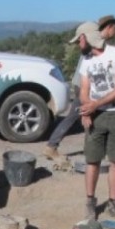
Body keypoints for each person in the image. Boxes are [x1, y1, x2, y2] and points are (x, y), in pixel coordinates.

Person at [79, 27, 115, 221]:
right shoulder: (86, 61)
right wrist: (86, 109)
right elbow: (84, 88)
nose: (78, 44)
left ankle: (113, 204)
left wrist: (96, 104)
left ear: (88, 38)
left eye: (80, 40)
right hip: (95, 115)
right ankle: (90, 203)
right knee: (92, 160)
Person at [43, 22, 96, 160]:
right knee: (85, 118)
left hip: (80, 87)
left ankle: (52, 146)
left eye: (79, 40)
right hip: (84, 89)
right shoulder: (91, 53)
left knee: (73, 118)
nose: (79, 44)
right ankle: (53, 146)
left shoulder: (89, 52)